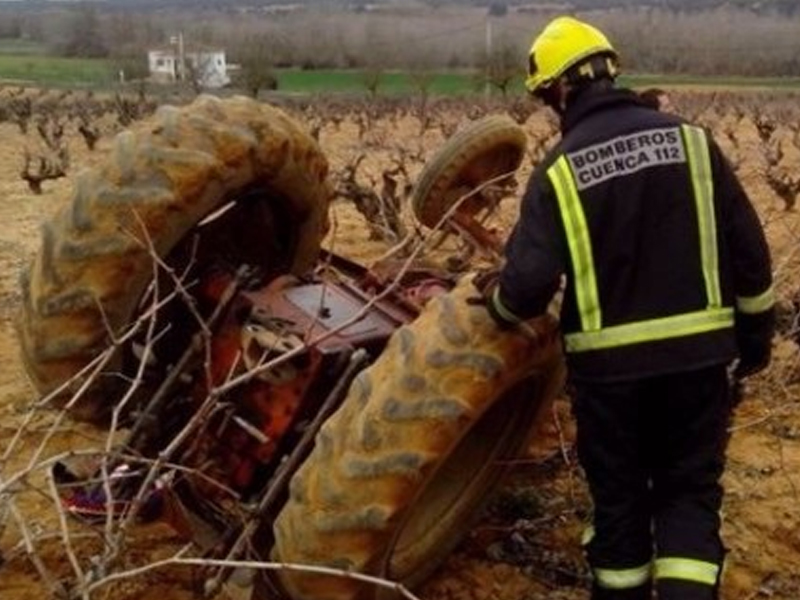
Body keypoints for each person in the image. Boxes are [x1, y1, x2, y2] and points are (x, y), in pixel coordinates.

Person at [477, 15, 775, 600]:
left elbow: (524, 290)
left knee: (619, 503)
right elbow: (751, 257)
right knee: (688, 496)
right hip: (698, 366)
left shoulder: (558, 173)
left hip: (609, 381)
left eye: (545, 99)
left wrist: (496, 303)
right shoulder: (692, 142)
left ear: (561, 88)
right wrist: (754, 345)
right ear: (608, 71)